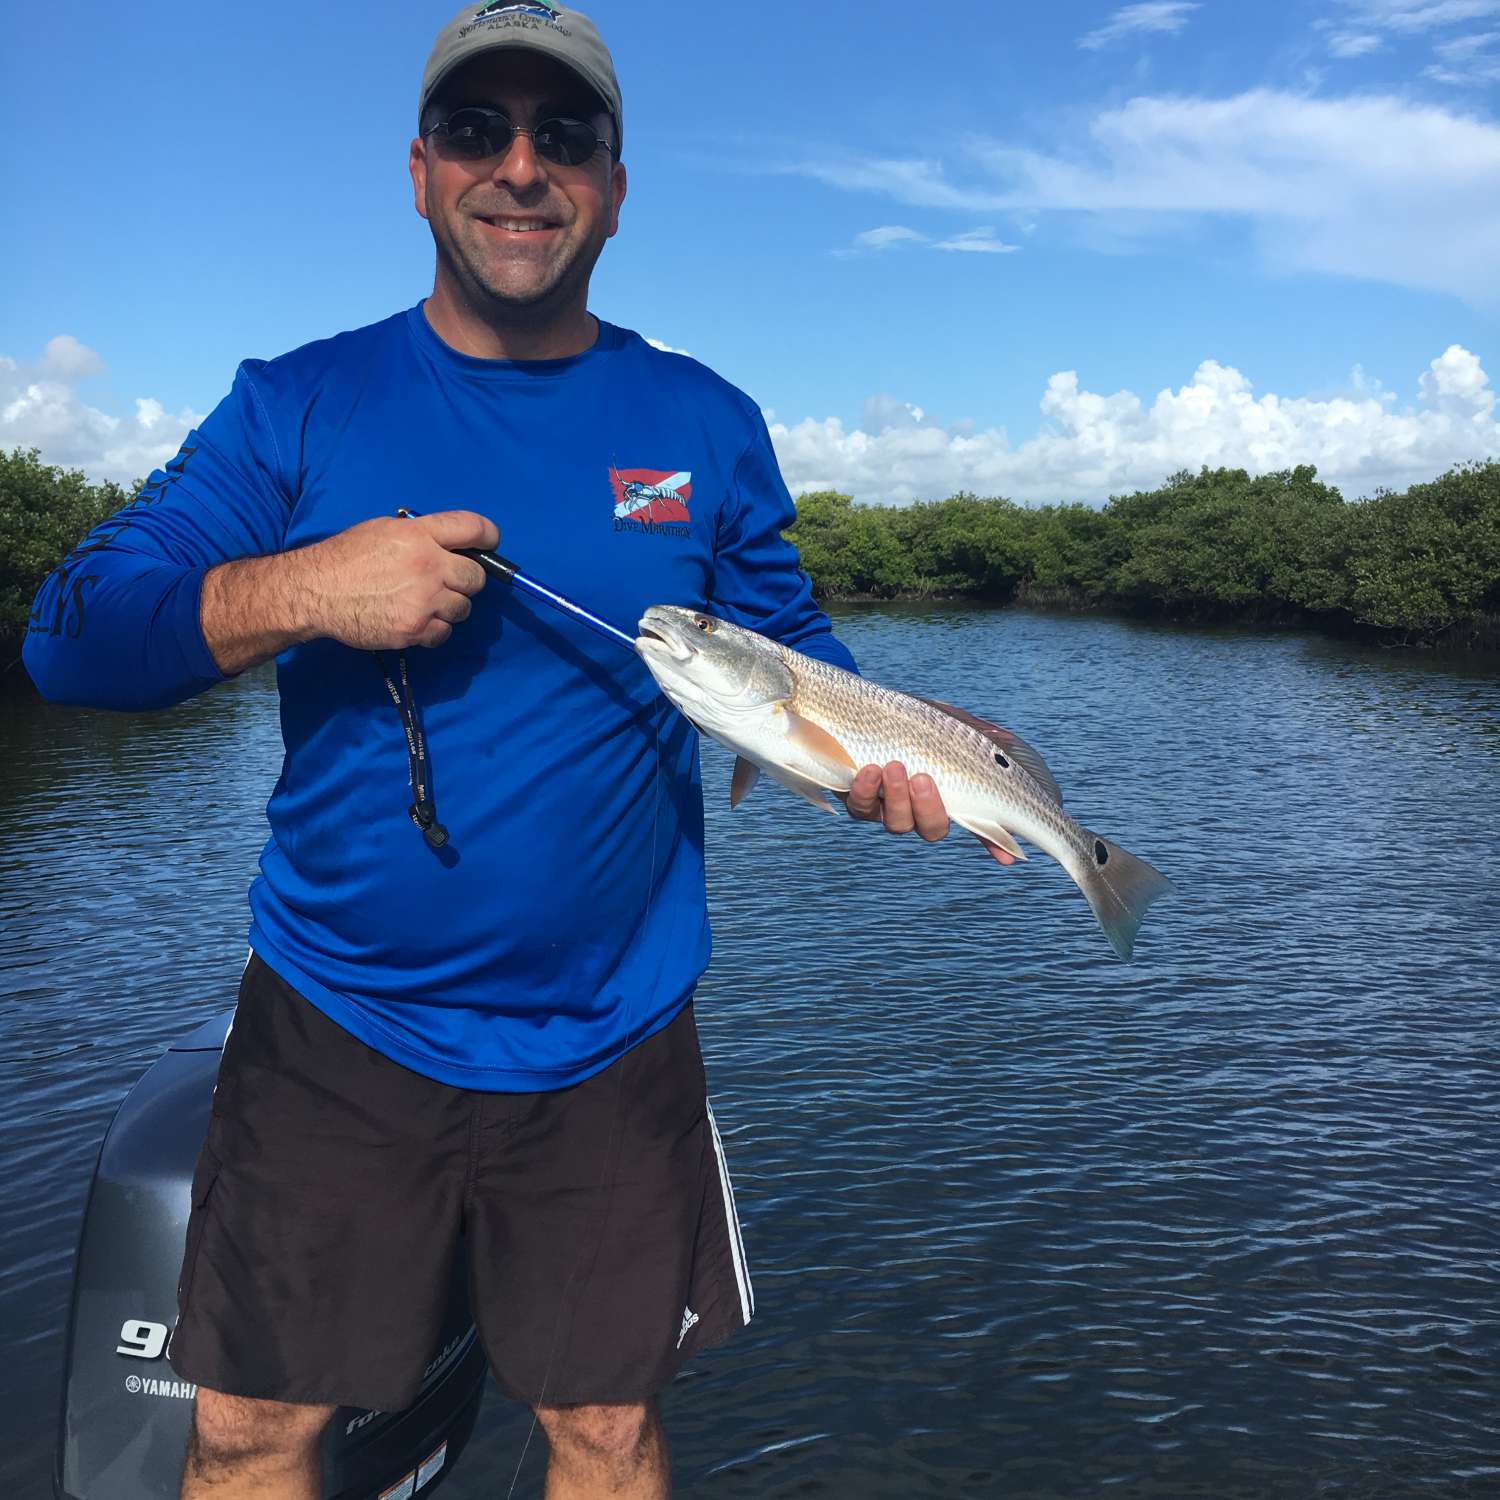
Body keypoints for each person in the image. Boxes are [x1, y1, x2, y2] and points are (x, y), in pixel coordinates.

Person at [24, 5, 999, 1496]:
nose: (522, 167)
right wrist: (307, 590)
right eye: (480, 130)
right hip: (335, 1026)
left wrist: (880, 755)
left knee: (604, 1430)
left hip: (612, 1037)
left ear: (614, 182)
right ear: (419, 172)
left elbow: (801, 656)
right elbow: (71, 636)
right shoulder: (299, 403)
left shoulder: (703, 421)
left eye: (567, 136)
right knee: (245, 1432)